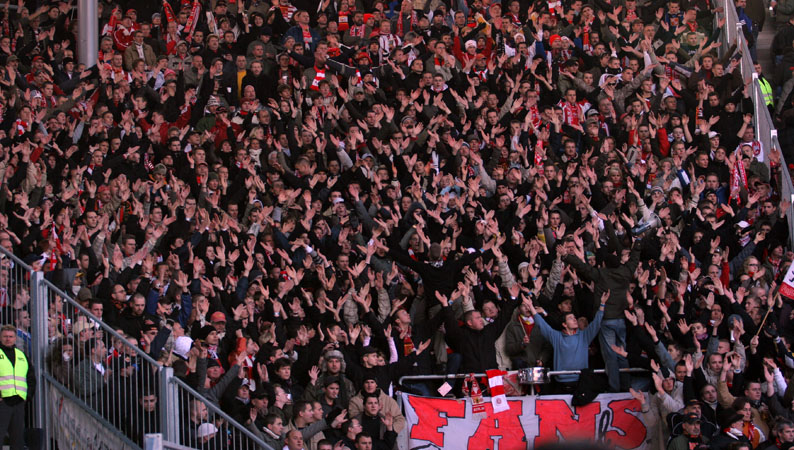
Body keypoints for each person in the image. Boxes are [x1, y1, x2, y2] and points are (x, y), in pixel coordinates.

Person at [527, 292, 607, 393]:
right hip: (561, 383)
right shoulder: (556, 337)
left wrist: (602, 304)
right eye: (570, 318)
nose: (574, 320)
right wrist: (531, 306)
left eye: (574, 318)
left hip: (581, 382)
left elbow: (596, 323)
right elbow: (542, 324)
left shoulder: (584, 336)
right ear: (564, 324)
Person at [0, 325, 35, 450]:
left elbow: (31, 378)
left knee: (18, 439)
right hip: (2, 402)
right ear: (0, 338)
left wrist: (27, 396)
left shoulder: (22, 355)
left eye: (10, 336)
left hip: (19, 402)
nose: (8, 339)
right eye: (5, 336)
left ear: (15, 338)